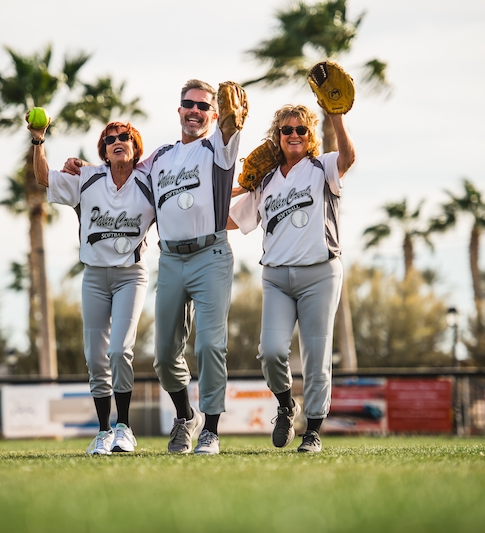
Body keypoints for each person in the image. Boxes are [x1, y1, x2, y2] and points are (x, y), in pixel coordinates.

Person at [64, 79, 245, 455]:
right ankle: (186, 416)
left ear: (213, 115)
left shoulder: (217, 147)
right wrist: (83, 169)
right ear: (179, 110)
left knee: (210, 345)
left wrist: (233, 120)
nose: (195, 111)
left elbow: (230, 130)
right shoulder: (161, 157)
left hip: (210, 255)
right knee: (164, 357)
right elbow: (122, 167)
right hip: (171, 258)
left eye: (203, 106)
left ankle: (210, 431)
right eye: (189, 104)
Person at [228, 104, 355, 453]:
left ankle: (312, 431)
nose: (294, 134)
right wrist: (228, 189)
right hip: (277, 277)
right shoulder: (265, 179)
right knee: (270, 352)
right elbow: (232, 221)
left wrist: (336, 116)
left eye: (301, 129)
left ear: (310, 135)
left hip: (320, 273)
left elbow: (348, 158)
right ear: (278, 136)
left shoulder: (322, 167)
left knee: (316, 356)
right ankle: (286, 406)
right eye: (287, 130)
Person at [30, 116, 155, 455]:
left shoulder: (148, 182)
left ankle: (124, 429)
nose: (117, 141)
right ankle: (103, 432)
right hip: (95, 277)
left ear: (135, 147)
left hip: (131, 275)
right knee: (96, 359)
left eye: (124, 136)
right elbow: (43, 177)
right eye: (110, 139)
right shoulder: (88, 178)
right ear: (104, 151)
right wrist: (39, 139)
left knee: (119, 351)